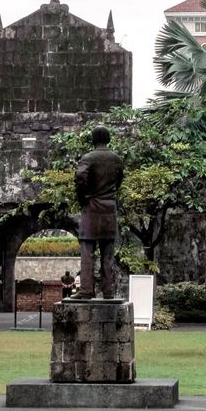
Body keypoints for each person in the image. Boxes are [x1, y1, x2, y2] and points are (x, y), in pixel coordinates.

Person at [72, 125, 124, 299]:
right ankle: (108, 291)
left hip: (92, 207)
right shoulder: (116, 159)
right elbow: (119, 181)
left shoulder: (88, 158)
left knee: (87, 251)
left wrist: (83, 198)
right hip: (110, 209)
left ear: (93, 139)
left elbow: (80, 178)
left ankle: (86, 290)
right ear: (108, 139)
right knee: (108, 254)